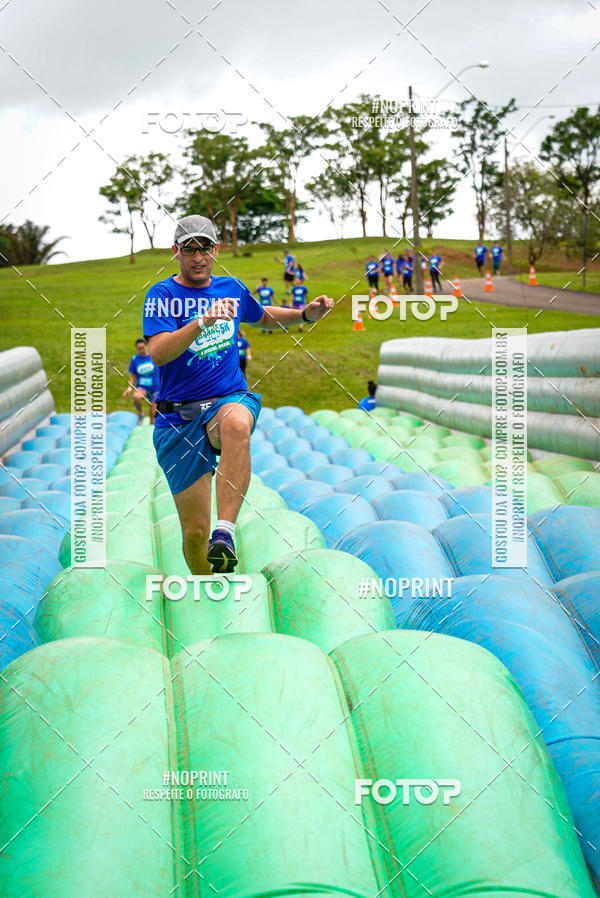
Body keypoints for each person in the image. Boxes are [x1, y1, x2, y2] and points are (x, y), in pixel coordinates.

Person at [144, 215, 332, 575]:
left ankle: (225, 531)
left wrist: (304, 315)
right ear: (176, 252)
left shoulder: (231, 287)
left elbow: (260, 316)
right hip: (177, 419)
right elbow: (159, 352)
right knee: (194, 533)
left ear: (217, 250)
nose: (198, 257)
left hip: (225, 399)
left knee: (237, 423)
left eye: (205, 248)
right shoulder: (162, 296)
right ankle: (209, 588)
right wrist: (203, 321)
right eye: (189, 249)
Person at [124, 337, 160, 424]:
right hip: (142, 387)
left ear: (146, 347)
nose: (141, 350)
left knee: (153, 414)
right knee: (136, 397)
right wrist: (129, 389)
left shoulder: (153, 356)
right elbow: (133, 376)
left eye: (143, 348)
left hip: (156, 389)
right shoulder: (135, 359)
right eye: (139, 349)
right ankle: (140, 413)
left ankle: (152, 427)